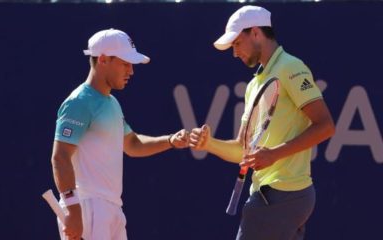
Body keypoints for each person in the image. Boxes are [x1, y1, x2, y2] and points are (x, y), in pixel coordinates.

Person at [189, 6, 335, 240]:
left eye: (237, 43)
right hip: (274, 195)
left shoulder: (290, 67)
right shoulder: (254, 85)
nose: (234, 53)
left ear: (255, 33)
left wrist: (274, 154)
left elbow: (326, 125)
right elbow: (242, 150)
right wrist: (209, 144)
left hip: (282, 194)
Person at [50, 28, 189, 240]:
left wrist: (170, 141)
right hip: (88, 208)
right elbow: (60, 157)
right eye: (125, 63)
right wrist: (73, 211)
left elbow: (133, 144)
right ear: (103, 60)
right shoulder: (78, 102)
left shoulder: (112, 103)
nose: (131, 71)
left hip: (112, 209)